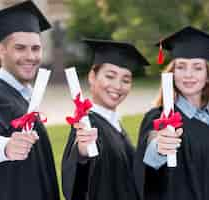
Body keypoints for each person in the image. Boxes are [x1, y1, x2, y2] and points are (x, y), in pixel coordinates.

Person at [134, 26, 209, 200]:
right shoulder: (159, 118)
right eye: (181, 67)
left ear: (208, 76)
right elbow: (149, 159)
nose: (188, 75)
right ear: (172, 73)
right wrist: (160, 148)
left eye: (197, 68)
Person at [0, 1, 59, 200]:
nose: (30, 56)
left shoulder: (26, 97)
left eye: (36, 48)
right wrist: (5, 147)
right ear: (1, 51)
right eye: (20, 48)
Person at [61, 39, 149, 200]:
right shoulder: (86, 126)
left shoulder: (115, 125)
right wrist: (82, 155)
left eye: (126, 80)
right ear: (92, 77)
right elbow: (75, 190)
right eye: (110, 76)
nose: (118, 86)